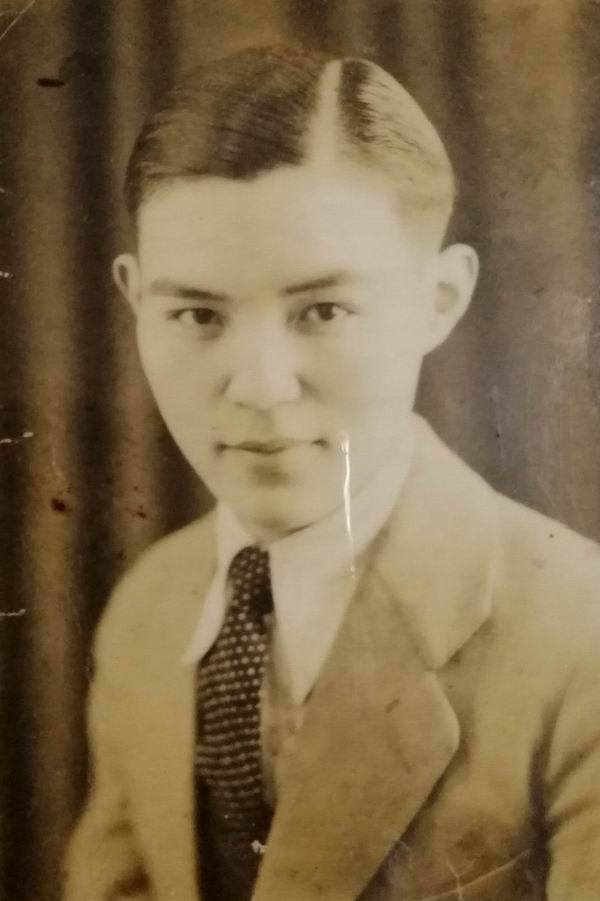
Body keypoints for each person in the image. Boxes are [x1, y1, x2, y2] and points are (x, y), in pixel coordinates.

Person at [63, 44, 600, 901]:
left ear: (439, 300)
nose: (259, 386)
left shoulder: (579, 638)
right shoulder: (151, 607)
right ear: (134, 303)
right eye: (196, 314)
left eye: (324, 310)